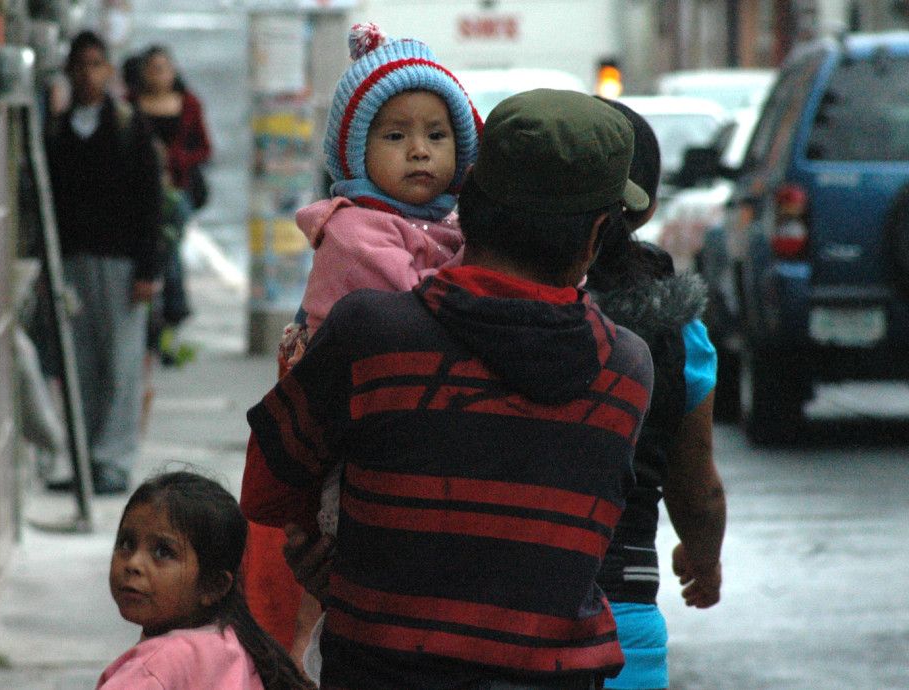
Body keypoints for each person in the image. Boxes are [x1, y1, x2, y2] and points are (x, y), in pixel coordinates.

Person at [241, 88, 654, 690]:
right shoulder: (625, 370)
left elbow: (267, 494)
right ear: (594, 236)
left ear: (469, 196)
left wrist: (342, 562)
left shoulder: (370, 334)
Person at [242, 21, 482, 658]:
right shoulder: (354, 233)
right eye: (395, 135)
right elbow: (423, 310)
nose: (420, 151)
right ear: (354, 151)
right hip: (359, 439)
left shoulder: (452, 225)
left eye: (437, 135)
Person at [587, 98, 727, 690]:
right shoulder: (674, 327)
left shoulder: (456, 299)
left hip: (480, 628)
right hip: (623, 622)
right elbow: (694, 481)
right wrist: (703, 556)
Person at [46, 31, 162, 494]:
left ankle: (113, 460)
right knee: (80, 363)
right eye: (80, 65)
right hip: (72, 261)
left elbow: (151, 201)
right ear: (69, 71)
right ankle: (83, 460)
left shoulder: (130, 127)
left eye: (96, 64)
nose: (88, 74)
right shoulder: (56, 130)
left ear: (109, 70)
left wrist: (149, 269)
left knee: (121, 363)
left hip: (121, 265)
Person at [96, 471, 316, 689]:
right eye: (126, 544)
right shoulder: (232, 646)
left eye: (163, 552)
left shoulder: (150, 671)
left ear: (214, 585)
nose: (133, 564)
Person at [134, 45, 212, 361]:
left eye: (164, 67)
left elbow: (204, 149)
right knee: (159, 248)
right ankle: (166, 315)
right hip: (141, 192)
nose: (159, 74)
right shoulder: (132, 105)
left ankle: (172, 312)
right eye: (152, 68)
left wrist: (176, 160)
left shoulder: (188, 104)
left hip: (177, 189)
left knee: (169, 244)